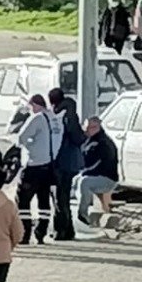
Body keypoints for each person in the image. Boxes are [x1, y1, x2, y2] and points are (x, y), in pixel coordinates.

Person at [15, 93, 60, 245]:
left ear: (34, 104)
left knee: (23, 200)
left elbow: (21, 137)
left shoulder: (37, 118)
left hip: (34, 165)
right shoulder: (54, 119)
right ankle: (41, 232)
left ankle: (24, 233)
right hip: (49, 165)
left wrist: (29, 146)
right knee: (44, 200)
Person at [48, 87, 84, 241]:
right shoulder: (70, 113)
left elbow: (76, 137)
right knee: (63, 197)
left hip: (61, 161)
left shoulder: (60, 116)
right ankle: (68, 230)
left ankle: (61, 230)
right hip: (70, 162)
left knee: (59, 197)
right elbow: (79, 138)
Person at [76, 114, 120, 226]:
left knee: (84, 182)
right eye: (85, 127)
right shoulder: (89, 140)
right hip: (96, 175)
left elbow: (93, 164)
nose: (85, 130)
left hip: (107, 179)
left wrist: (81, 172)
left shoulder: (102, 143)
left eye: (89, 128)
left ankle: (83, 214)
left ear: (96, 127)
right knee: (77, 181)